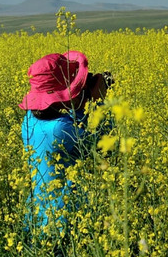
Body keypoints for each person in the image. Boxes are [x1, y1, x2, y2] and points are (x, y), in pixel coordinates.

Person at [19, 51, 110, 235]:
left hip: (38, 219)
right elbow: (105, 146)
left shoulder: (29, 120)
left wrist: (82, 102)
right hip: (65, 224)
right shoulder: (60, 130)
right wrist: (98, 102)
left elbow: (66, 121)